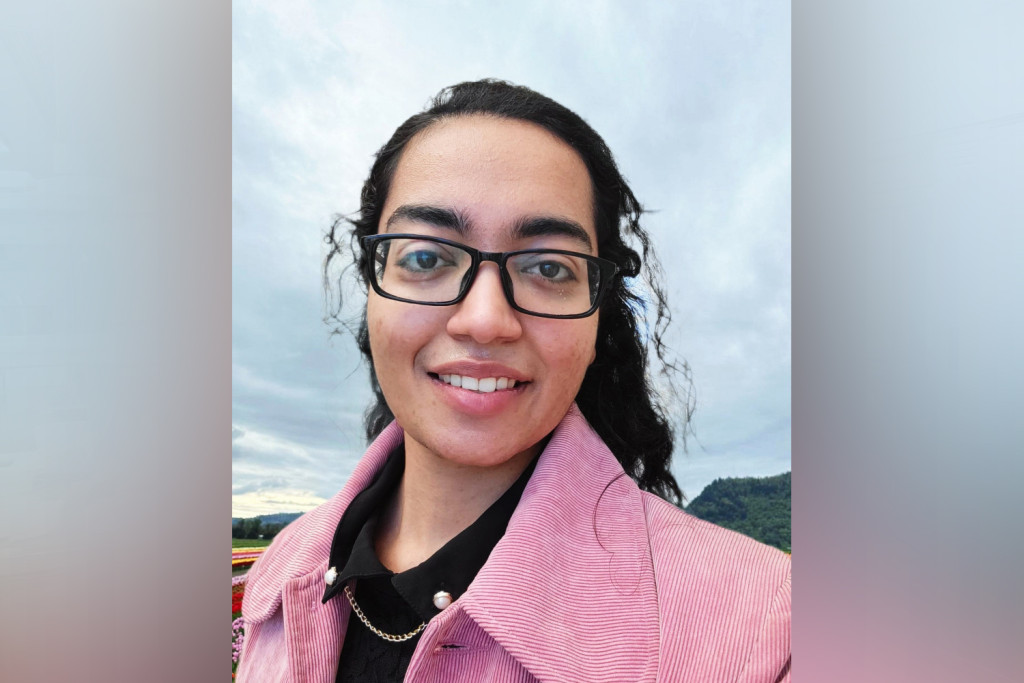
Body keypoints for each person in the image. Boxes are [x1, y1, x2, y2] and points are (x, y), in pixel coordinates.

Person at [237, 80, 791, 683]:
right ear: (372, 286)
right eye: (426, 257)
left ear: (599, 316)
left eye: (548, 267)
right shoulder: (281, 565)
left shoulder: (772, 631)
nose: (484, 321)